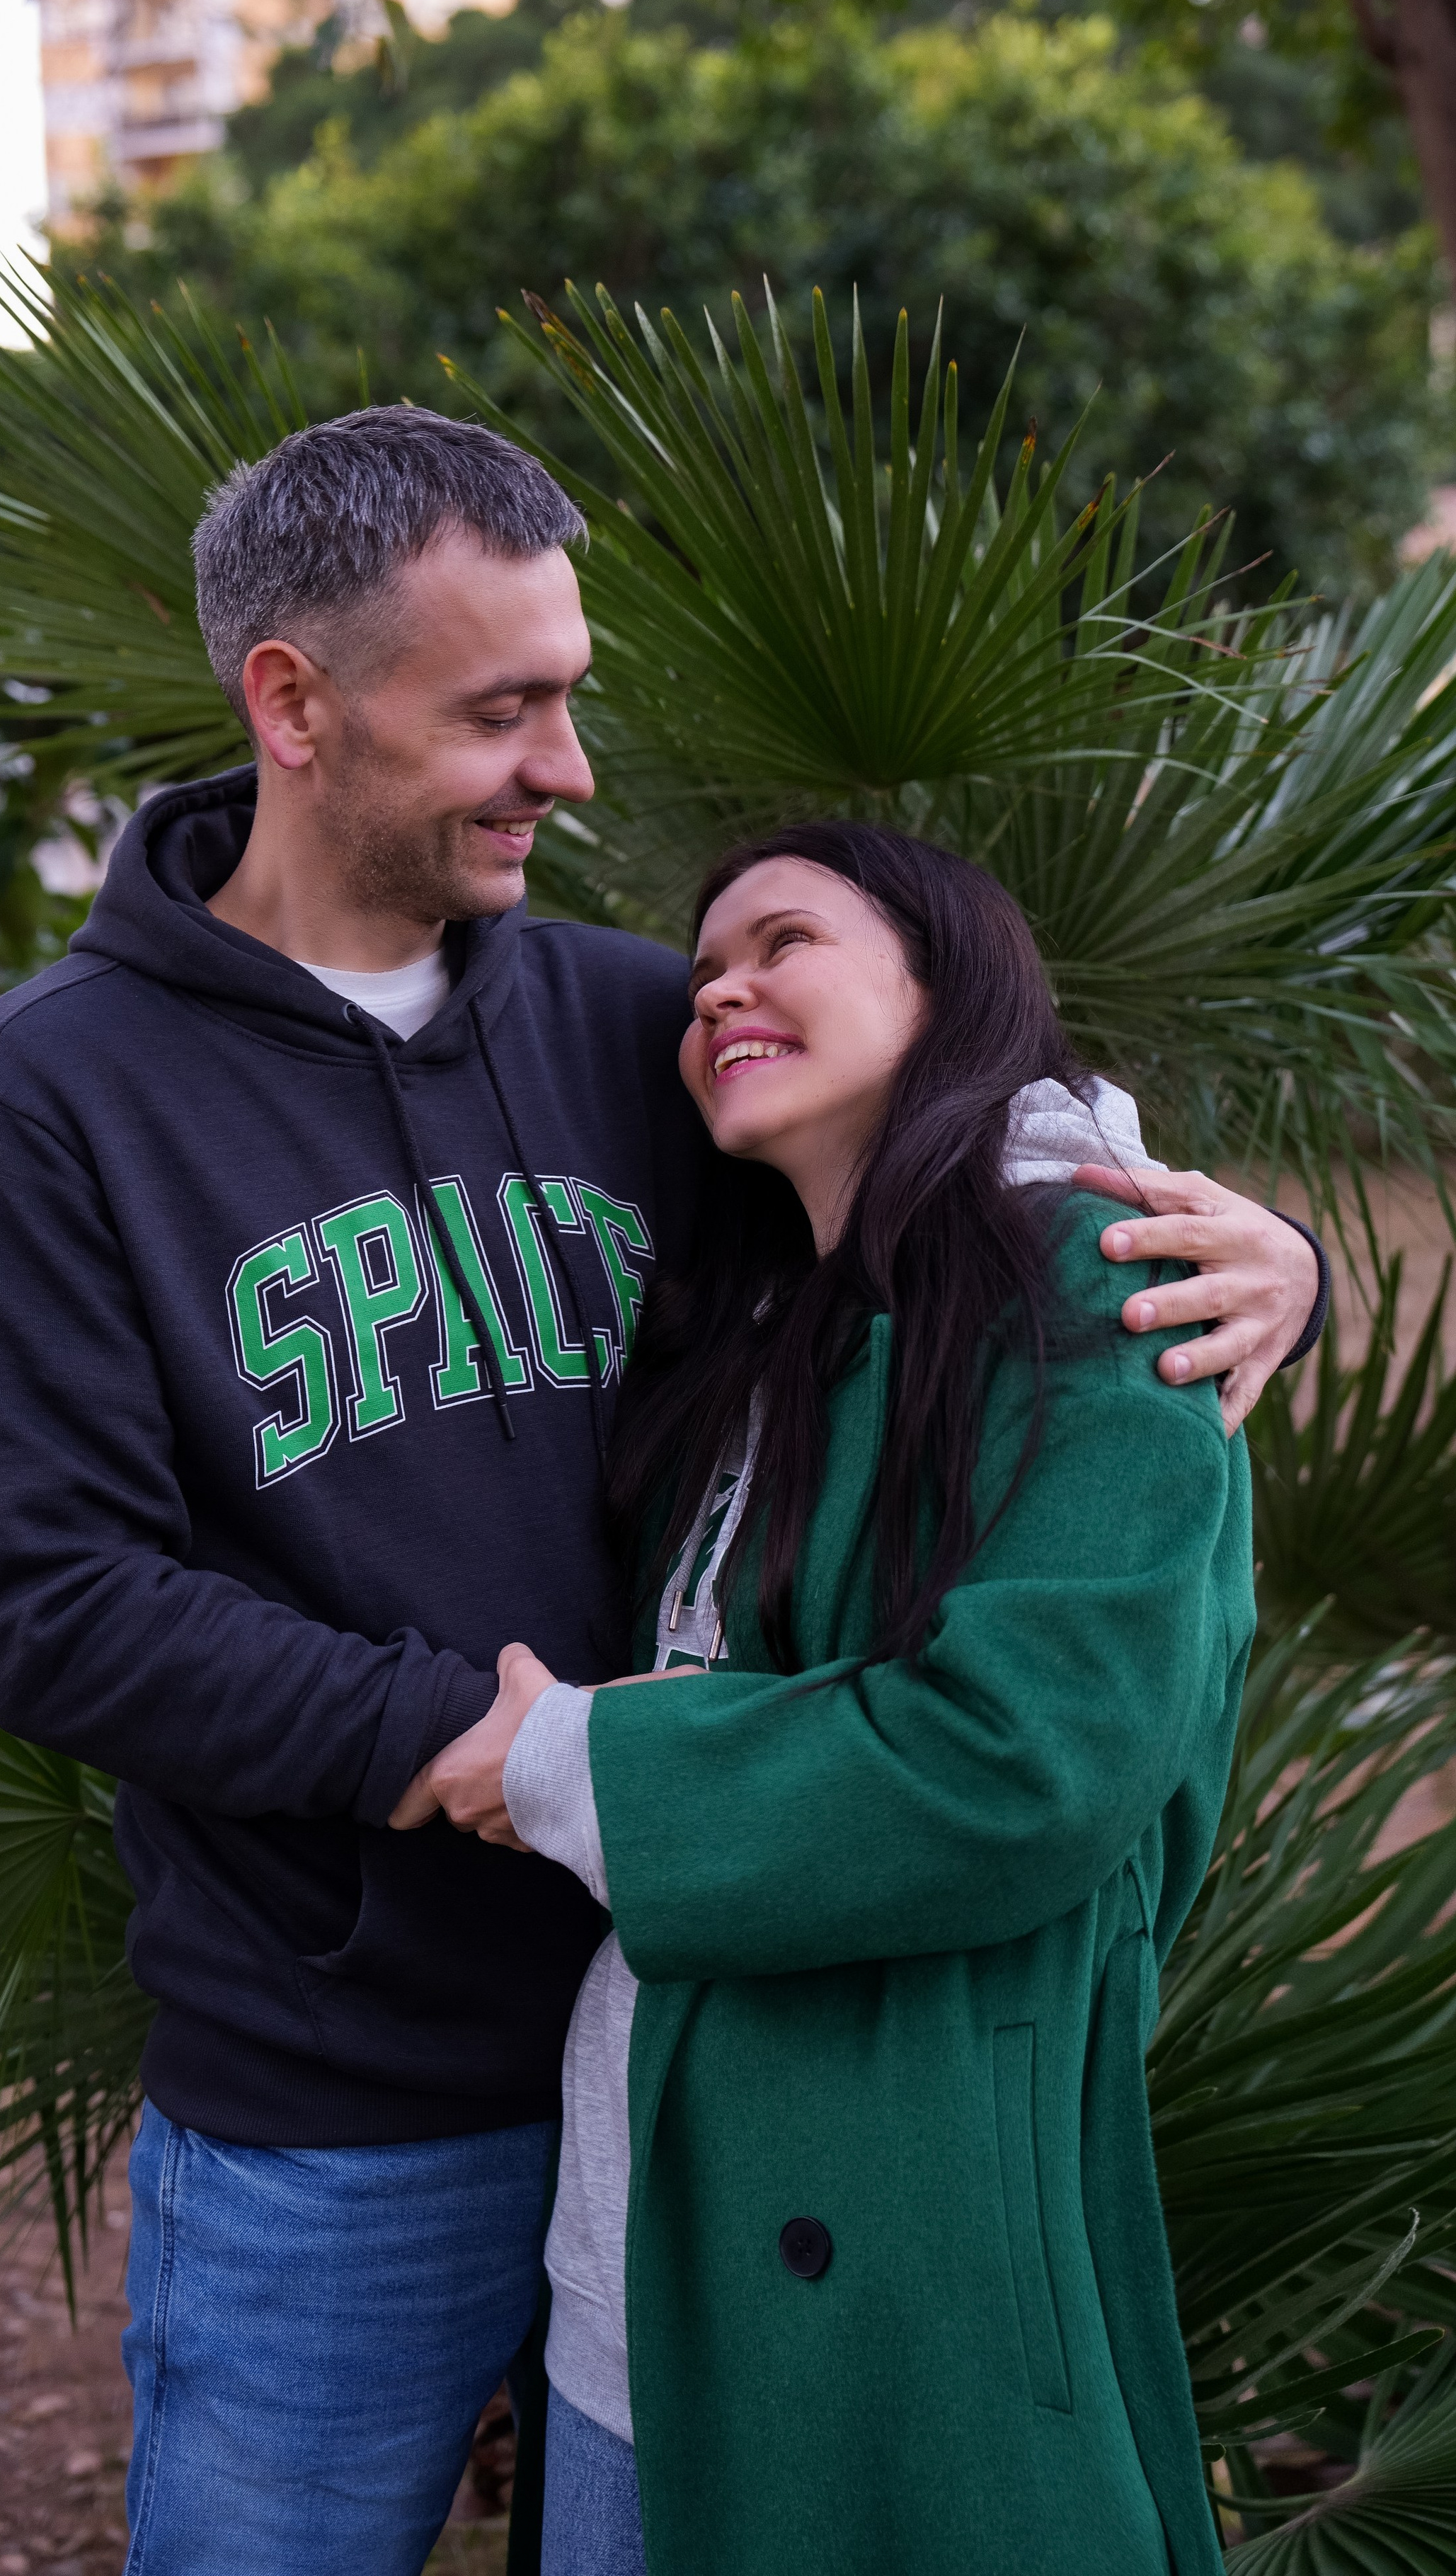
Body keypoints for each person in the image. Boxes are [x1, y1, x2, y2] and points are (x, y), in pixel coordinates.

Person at [0, 411, 1322, 2576]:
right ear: (293, 702)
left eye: (570, 694)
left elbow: (927, 1170)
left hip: (715, 2061)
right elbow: (66, 1608)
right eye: (504, 710)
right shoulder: (60, 1093)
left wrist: (1244, 1258)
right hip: (339, 2095)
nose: (567, 769)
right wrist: (475, 1754)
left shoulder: (627, 1020)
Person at [403, 821, 1263, 2576]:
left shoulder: (1101, 1293)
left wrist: (570, 1759)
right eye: (703, 967)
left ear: (944, 988)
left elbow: (1016, 1758)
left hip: (889, 2268)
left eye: (783, 939)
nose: (721, 986)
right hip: (631, 2277)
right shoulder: (765, 1322)